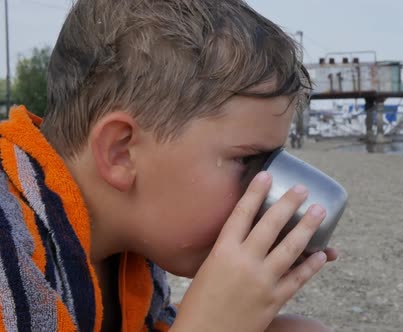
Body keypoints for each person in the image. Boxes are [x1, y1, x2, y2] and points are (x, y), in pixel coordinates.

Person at [0, 0, 338, 331]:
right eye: (248, 160)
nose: (267, 188)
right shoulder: (9, 251)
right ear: (122, 152)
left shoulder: (133, 237)